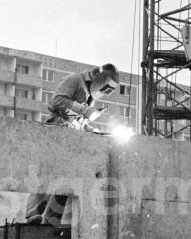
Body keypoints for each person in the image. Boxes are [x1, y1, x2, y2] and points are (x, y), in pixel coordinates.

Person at [25, 63, 122, 225]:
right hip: (55, 132)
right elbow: (57, 101)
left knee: (65, 180)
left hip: (70, 139)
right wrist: (85, 111)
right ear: (98, 80)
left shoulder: (90, 97)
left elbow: (79, 121)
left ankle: (50, 218)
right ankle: (32, 214)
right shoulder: (75, 80)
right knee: (46, 173)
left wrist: (93, 129)